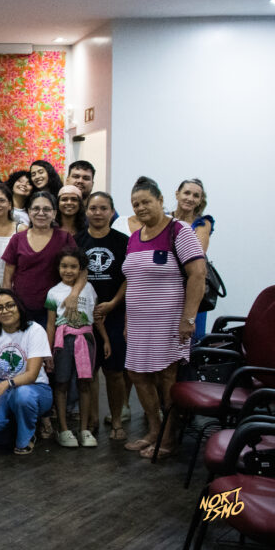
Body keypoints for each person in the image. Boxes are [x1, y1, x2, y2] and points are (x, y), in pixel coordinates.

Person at [121, 176, 205, 459]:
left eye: (146, 201)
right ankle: (154, 430)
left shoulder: (178, 230)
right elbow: (133, 283)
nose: (141, 207)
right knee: (136, 374)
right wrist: (127, 323)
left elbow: (198, 274)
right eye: (136, 204)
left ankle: (168, 439)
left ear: (160, 201)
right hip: (138, 323)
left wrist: (188, 319)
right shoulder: (134, 238)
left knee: (166, 377)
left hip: (169, 321)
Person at [0, 290, 53, 454]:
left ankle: (26, 437)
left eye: (10, 305)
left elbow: (31, 375)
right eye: (0, 308)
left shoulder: (34, 330)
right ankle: (9, 430)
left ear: (19, 307)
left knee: (23, 395)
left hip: (35, 388)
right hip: (2, 388)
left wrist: (6, 384)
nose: (5, 311)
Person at [77, 191, 130, 441]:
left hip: (115, 313)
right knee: (90, 370)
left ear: (111, 212)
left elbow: (129, 278)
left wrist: (112, 304)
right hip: (85, 316)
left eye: (103, 208)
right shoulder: (77, 242)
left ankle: (117, 420)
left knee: (115, 372)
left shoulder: (124, 242)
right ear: (86, 211)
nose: (97, 213)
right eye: (93, 208)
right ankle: (93, 419)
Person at [45, 247, 109, 448]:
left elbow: (97, 319)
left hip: (86, 340)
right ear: (58, 268)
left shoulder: (88, 289)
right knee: (62, 383)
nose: (68, 270)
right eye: (64, 266)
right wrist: (48, 352)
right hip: (63, 342)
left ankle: (84, 429)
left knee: (85, 383)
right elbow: (50, 324)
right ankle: (63, 429)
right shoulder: (53, 292)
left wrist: (105, 340)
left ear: (81, 269)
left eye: (73, 266)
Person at [1, 191, 79, 327]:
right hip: (21, 309)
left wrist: (74, 295)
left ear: (54, 213)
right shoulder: (17, 239)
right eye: (36, 208)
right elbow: (7, 278)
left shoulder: (64, 238)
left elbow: (81, 270)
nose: (41, 213)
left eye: (46, 209)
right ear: (29, 212)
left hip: (55, 309)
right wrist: (8, 305)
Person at [170, 178, 214, 340]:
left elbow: (196, 254)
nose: (190, 198)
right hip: (166, 289)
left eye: (196, 196)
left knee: (191, 342)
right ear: (177, 194)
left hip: (192, 289)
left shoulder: (203, 223)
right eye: (186, 193)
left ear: (200, 201)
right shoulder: (162, 218)